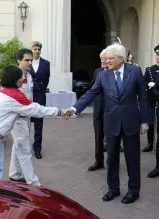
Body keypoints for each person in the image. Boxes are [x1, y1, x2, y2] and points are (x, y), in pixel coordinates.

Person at [64, 43, 148, 204]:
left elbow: (143, 97)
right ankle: (113, 189)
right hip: (111, 122)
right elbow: (91, 93)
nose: (106, 61)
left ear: (120, 58)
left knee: (132, 159)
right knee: (112, 158)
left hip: (131, 121)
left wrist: (145, 121)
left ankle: (133, 190)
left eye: (110, 59)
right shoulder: (103, 75)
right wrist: (75, 108)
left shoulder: (135, 71)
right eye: (105, 59)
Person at [0, 66, 64, 180]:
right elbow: (36, 109)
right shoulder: (14, 95)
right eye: (20, 77)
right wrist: (59, 111)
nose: (23, 79)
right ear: (14, 79)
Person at [8, 49, 41, 186]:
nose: (29, 62)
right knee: (24, 149)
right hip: (17, 118)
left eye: (31, 60)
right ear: (19, 60)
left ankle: (14, 175)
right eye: (26, 60)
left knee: (18, 146)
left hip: (26, 116)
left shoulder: (29, 75)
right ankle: (33, 183)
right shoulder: (14, 77)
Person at [30, 41, 50, 159]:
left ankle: (37, 148)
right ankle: (23, 148)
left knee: (38, 122)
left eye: (39, 49)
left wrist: (40, 89)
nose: (37, 51)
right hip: (27, 95)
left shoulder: (46, 63)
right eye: (35, 49)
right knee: (25, 122)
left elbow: (47, 78)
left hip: (39, 95)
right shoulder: (27, 62)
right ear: (31, 50)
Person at [143, 44, 159, 178]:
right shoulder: (150, 69)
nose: (158, 57)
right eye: (157, 54)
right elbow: (143, 83)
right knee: (151, 122)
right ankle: (150, 143)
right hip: (152, 100)